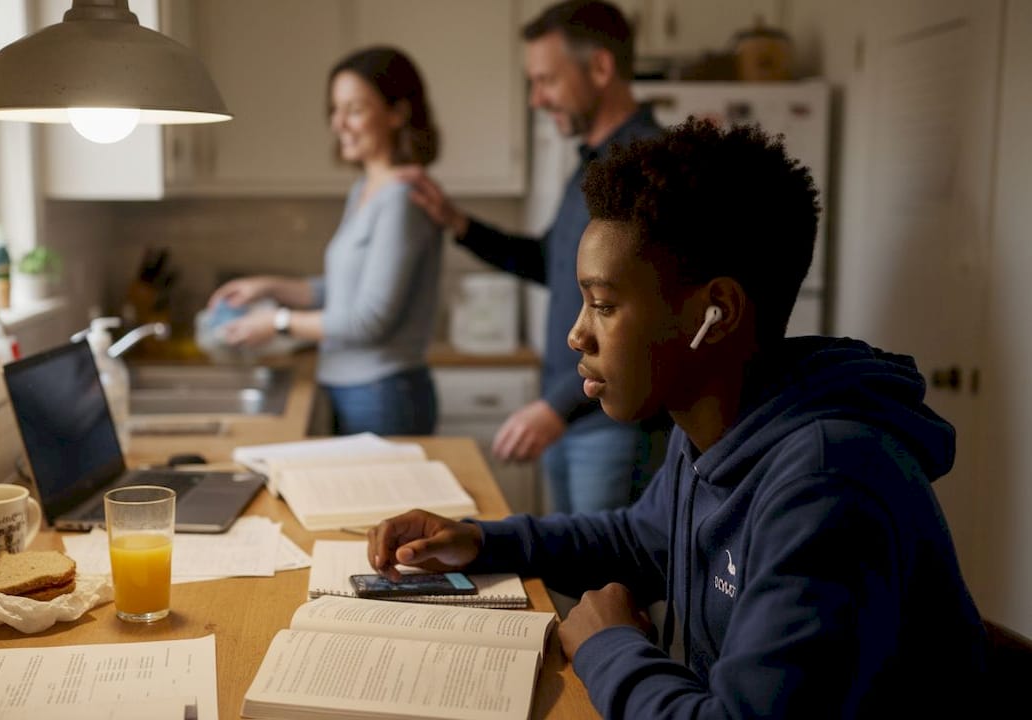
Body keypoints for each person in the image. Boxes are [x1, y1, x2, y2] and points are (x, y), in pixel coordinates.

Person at [367, 120, 987, 717]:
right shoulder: (717, 427)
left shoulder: (828, 484)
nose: (576, 334)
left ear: (715, 311)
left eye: (604, 305)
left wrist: (609, 644)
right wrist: (481, 540)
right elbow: (639, 539)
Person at [403, 0, 662, 513]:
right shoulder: (591, 163)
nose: (536, 99)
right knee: (574, 580)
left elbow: (644, 314)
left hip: (612, 422)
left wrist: (556, 406)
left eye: (546, 80)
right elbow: (551, 262)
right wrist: (460, 224)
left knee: (607, 582)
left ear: (601, 68)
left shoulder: (645, 166)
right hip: (576, 411)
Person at [208, 46, 443, 436]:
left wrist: (278, 323)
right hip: (358, 390)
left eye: (354, 109)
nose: (338, 124)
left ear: (397, 114)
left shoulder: (403, 199)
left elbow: (368, 320)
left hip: (383, 394)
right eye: (335, 110)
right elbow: (345, 292)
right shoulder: (367, 189)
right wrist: (268, 286)